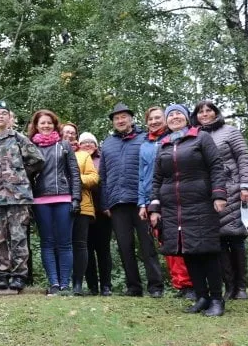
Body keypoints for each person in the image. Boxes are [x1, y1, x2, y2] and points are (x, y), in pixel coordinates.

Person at [149, 104, 227, 316]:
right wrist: (154, 207)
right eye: (170, 115)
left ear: (186, 118)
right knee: (188, 252)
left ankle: (217, 300)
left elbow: (216, 167)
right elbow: (156, 179)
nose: (175, 117)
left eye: (178, 114)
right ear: (167, 121)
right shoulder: (163, 145)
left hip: (201, 202)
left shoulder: (201, 138)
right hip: (173, 208)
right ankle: (202, 297)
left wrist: (219, 194)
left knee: (207, 251)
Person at [0, 101, 44, 290]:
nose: (1, 116)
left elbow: (37, 160)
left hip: (18, 196)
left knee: (18, 236)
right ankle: (1, 274)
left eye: (4, 113)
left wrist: (20, 174)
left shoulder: (19, 139)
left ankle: (19, 275)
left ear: (9, 118)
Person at [100, 103, 164, 297]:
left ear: (131, 119)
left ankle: (156, 287)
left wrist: (153, 200)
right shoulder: (107, 144)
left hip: (140, 202)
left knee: (147, 245)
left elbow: (153, 170)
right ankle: (133, 287)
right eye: (116, 118)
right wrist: (105, 203)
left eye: (123, 117)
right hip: (117, 203)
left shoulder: (144, 138)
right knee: (124, 246)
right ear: (113, 122)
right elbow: (102, 176)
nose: (120, 120)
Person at [193, 100, 248, 300]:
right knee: (217, 240)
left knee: (236, 237)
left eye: (208, 110)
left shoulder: (230, 132)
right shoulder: (195, 136)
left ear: (215, 113)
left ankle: (241, 287)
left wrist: (246, 185)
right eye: (200, 111)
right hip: (208, 193)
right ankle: (229, 286)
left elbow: (243, 157)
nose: (204, 114)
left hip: (233, 189)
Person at [138, 107, 194, 299]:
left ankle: (191, 283)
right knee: (166, 241)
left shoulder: (174, 139)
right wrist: (142, 202)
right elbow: (141, 176)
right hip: (152, 198)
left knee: (182, 240)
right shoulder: (144, 145)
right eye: (150, 119)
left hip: (172, 194)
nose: (154, 121)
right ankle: (180, 284)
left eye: (158, 118)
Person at [28, 109, 81, 295]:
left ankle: (65, 284)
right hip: (40, 201)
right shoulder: (30, 147)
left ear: (55, 124)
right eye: (42, 123)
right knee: (47, 243)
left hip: (64, 198)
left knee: (65, 243)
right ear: (36, 125)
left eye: (49, 122)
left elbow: (74, 173)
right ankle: (54, 284)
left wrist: (76, 198)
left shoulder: (64, 145)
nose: (46, 125)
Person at [60, 122, 99, 296]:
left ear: (76, 137)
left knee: (80, 245)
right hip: (57, 203)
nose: (69, 135)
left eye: (72, 133)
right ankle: (61, 282)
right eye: (65, 132)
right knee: (60, 244)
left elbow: (93, 178)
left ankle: (77, 284)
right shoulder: (53, 151)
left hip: (82, 206)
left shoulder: (83, 155)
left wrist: (73, 178)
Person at [79, 132, 114, 296]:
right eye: (84, 142)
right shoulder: (76, 158)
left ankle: (106, 285)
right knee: (86, 248)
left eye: (90, 142)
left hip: (102, 210)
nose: (87, 145)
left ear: (96, 144)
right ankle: (92, 286)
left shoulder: (103, 159)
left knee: (103, 250)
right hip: (84, 210)